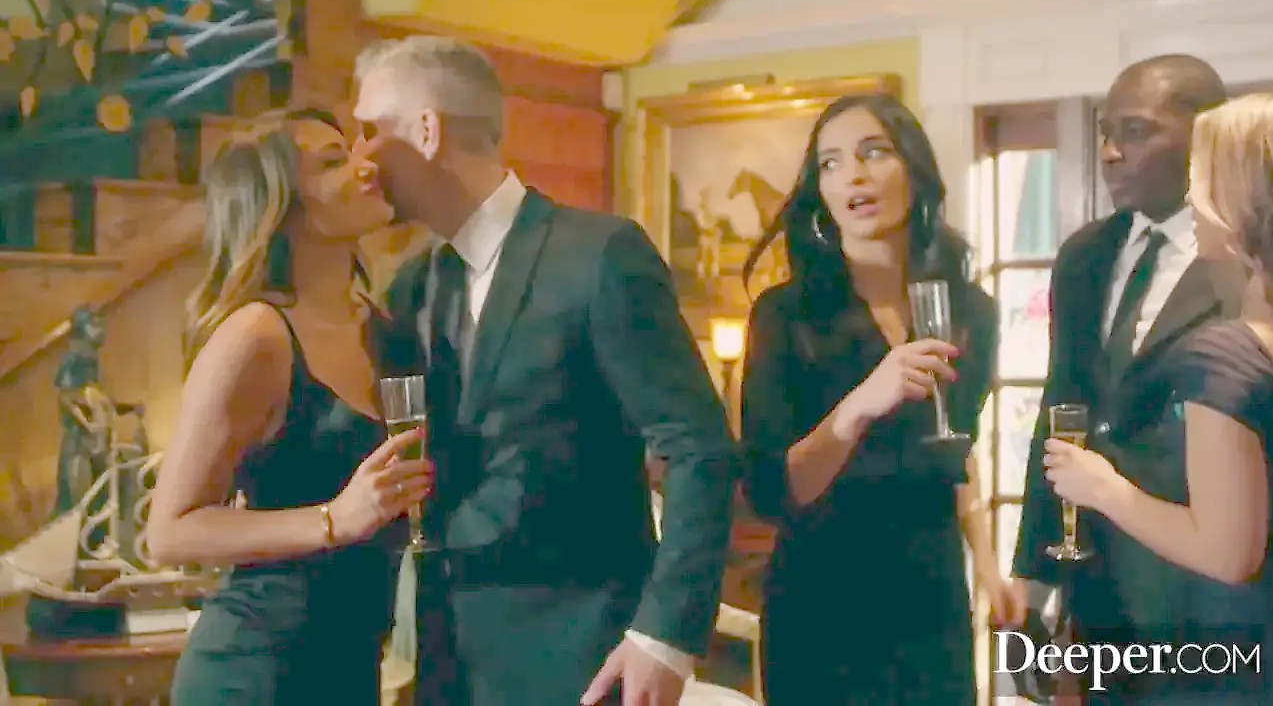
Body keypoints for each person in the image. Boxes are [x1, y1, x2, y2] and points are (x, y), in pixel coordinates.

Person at [351, 36, 738, 706]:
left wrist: (665, 636)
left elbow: (698, 447)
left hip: (586, 657)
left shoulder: (599, 256)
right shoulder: (409, 285)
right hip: (450, 663)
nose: (360, 158)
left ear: (426, 130)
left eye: (368, 131)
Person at [737, 91, 1017, 704]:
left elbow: (953, 450)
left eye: (874, 152)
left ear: (914, 170)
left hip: (931, 593)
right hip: (823, 599)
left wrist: (987, 564)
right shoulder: (785, 315)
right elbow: (774, 492)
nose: (854, 175)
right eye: (831, 162)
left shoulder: (971, 311)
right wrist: (860, 405)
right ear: (820, 189)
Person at [149, 109, 434, 705]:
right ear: (282, 207)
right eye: (334, 162)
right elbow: (170, 531)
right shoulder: (257, 335)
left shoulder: (384, 328)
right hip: (253, 671)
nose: (365, 166)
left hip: (349, 668)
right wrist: (334, 518)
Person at [1010, 55, 1242, 700]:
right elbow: (1060, 411)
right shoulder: (1084, 255)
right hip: (1100, 598)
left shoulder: (1250, 255)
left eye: (1135, 131)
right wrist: (1034, 578)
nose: (1110, 153)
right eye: (1105, 133)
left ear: (1204, 133)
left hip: (1214, 599)